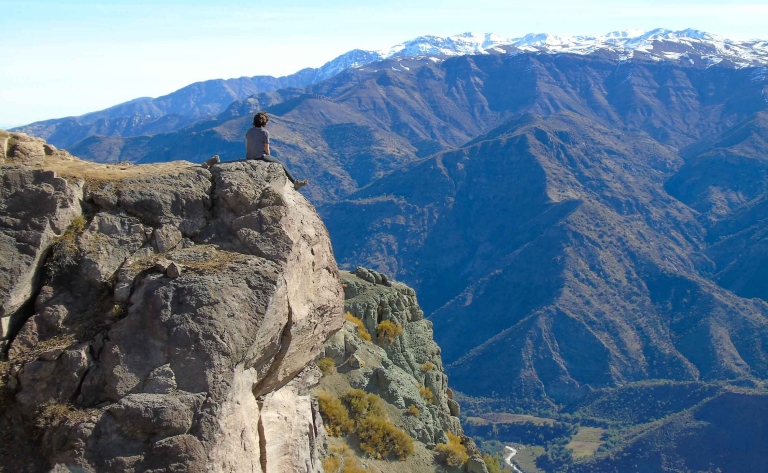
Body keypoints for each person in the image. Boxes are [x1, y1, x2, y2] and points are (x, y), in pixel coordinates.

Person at [246, 111, 308, 190]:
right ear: (264, 122)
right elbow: (267, 149)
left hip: (249, 156)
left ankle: (295, 182)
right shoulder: (264, 133)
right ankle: (295, 182)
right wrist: (267, 156)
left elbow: (248, 145)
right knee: (280, 164)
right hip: (260, 156)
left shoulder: (249, 131)